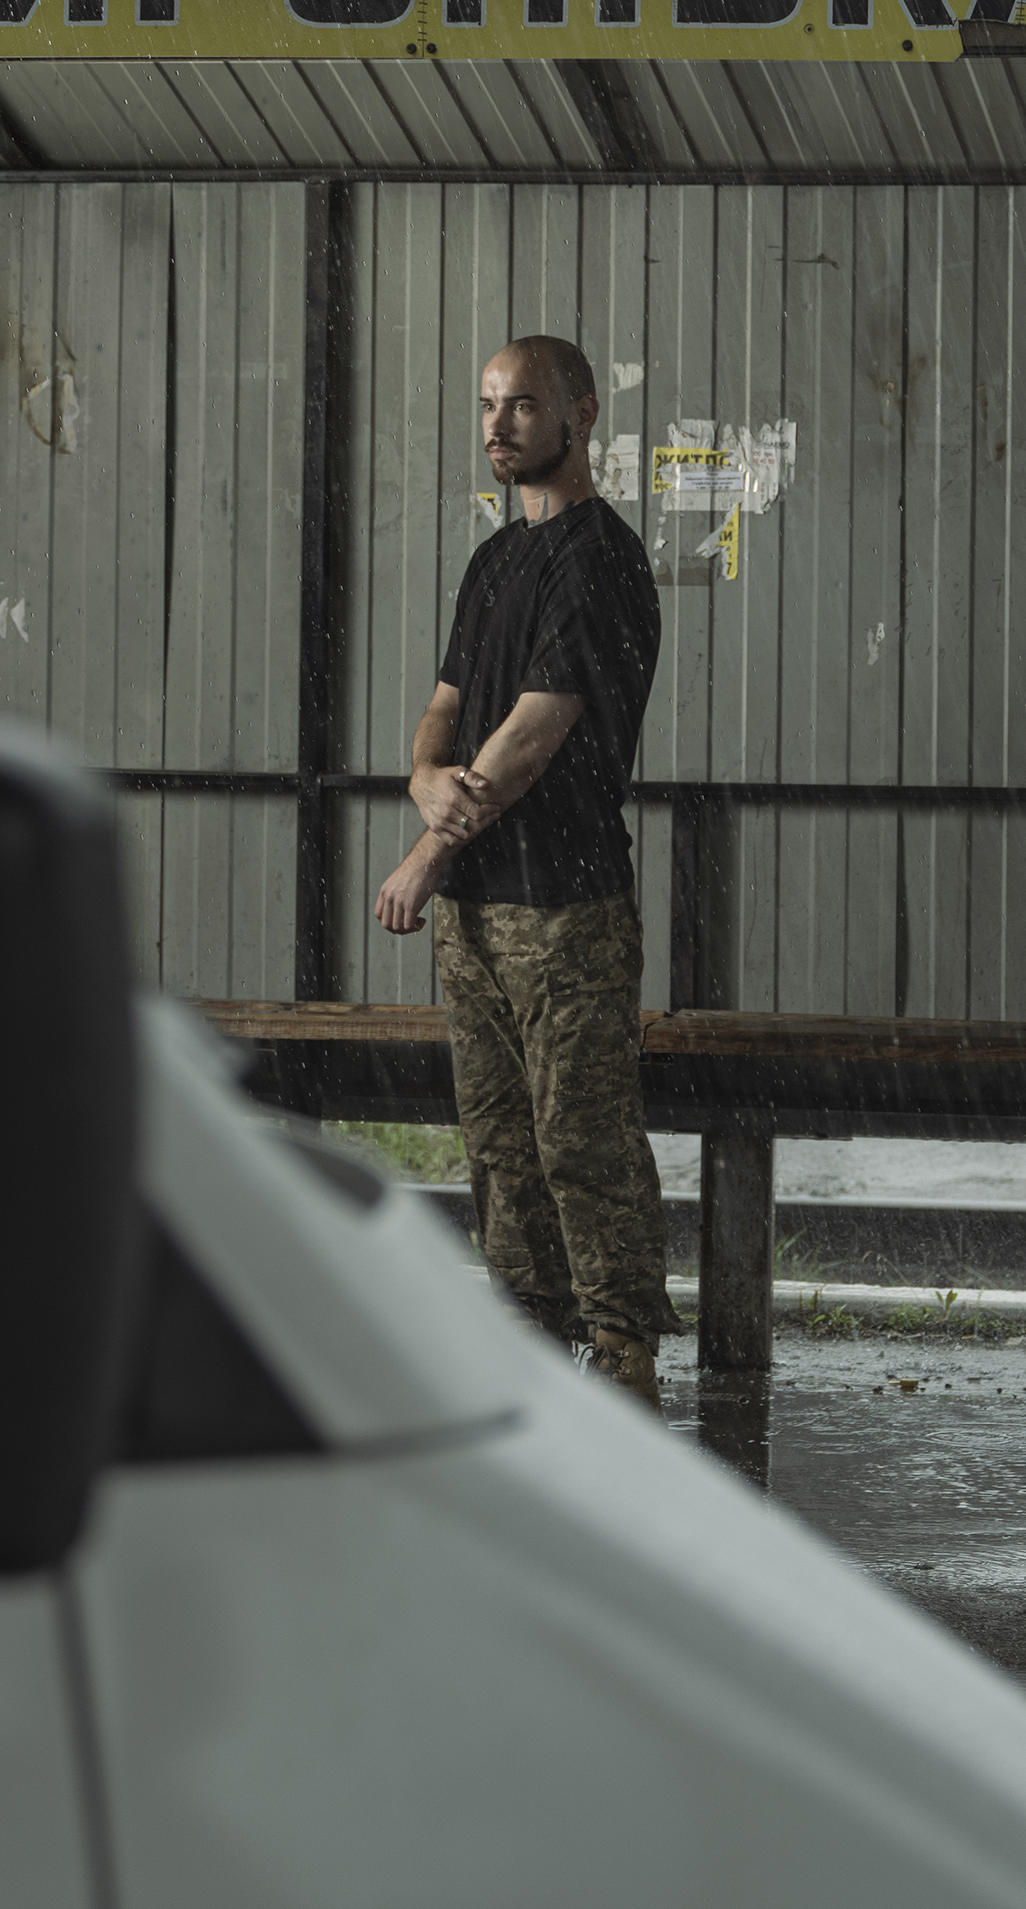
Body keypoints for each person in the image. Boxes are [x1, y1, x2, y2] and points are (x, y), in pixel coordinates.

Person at [372, 335, 671, 1401]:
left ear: (581, 416)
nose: (498, 425)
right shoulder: (492, 561)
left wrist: (422, 851)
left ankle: (623, 1354)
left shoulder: (603, 561)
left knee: (580, 1141)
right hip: (476, 914)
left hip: (565, 908)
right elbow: (448, 708)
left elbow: (533, 734)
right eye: (489, 404)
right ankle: (524, 1348)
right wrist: (419, 777)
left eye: (524, 406)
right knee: (497, 1145)